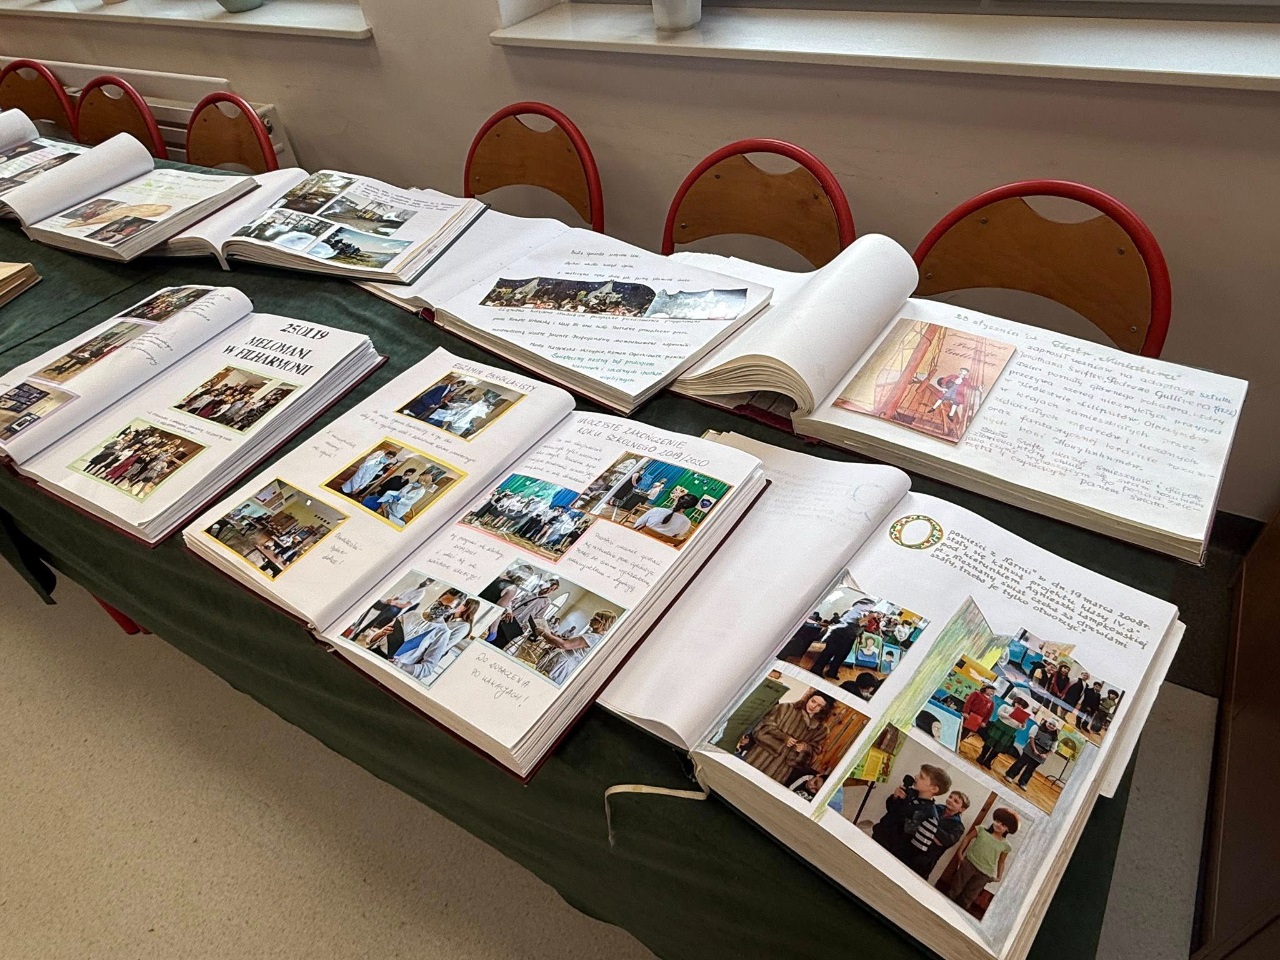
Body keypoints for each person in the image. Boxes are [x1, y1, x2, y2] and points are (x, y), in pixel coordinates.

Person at [741, 692, 835, 786]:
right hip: (759, 757)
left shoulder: (821, 730)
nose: (813, 706)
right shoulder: (786, 708)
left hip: (781, 770)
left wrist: (805, 748)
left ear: (824, 709)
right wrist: (784, 738)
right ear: (808, 698)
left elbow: (813, 754)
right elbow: (761, 728)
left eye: (819, 706)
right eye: (813, 701)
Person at [871, 763, 951, 862]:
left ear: (934, 789)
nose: (916, 777)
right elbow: (892, 811)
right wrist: (895, 798)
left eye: (921, 777)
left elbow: (917, 848)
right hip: (879, 837)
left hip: (892, 854)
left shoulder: (930, 816)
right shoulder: (910, 793)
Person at [946, 808, 1019, 910]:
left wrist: (999, 877)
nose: (999, 825)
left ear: (1008, 829)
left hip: (985, 873)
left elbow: (1001, 861)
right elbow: (967, 838)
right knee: (955, 888)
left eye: (1003, 825)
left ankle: (958, 912)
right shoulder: (981, 829)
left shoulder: (1006, 846)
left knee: (969, 895)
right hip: (969, 863)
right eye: (998, 821)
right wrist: (960, 853)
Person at [532, 609, 617, 685]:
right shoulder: (594, 636)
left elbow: (564, 645)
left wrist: (544, 633)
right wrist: (553, 636)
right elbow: (566, 642)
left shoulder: (593, 638)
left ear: (601, 623)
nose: (591, 619)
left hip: (563, 665)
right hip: (563, 662)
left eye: (595, 618)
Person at [904, 790, 970, 878]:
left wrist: (930, 824)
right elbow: (916, 820)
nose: (950, 800)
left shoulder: (958, 827)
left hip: (926, 859)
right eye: (950, 797)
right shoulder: (934, 808)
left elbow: (946, 841)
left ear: (962, 809)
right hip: (909, 846)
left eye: (956, 801)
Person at [1004, 716, 1059, 790]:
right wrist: (1034, 749)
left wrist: (1046, 755)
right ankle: (1010, 775)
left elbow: (1053, 749)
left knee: (1030, 769)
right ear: (1046, 722)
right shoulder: (1037, 727)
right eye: (1050, 724)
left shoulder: (1055, 738)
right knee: (1020, 763)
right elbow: (1031, 737)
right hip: (1030, 749)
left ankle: (1023, 782)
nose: (1051, 726)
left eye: (1054, 726)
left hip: (1041, 755)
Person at [976, 697, 1030, 769]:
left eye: (1022, 706)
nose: (1019, 707)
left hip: (1010, 731)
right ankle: (982, 756)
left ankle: (988, 761)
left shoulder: (1022, 715)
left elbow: (1021, 728)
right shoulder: (1006, 706)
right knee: (990, 742)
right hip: (999, 726)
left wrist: (1023, 724)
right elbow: (999, 713)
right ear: (1014, 703)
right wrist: (1010, 716)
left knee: (999, 747)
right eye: (1018, 704)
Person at [631, 493, 699, 543]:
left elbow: (637, 524)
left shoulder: (656, 510)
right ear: (691, 507)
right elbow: (676, 536)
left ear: (677, 499)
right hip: (658, 548)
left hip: (638, 540)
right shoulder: (687, 522)